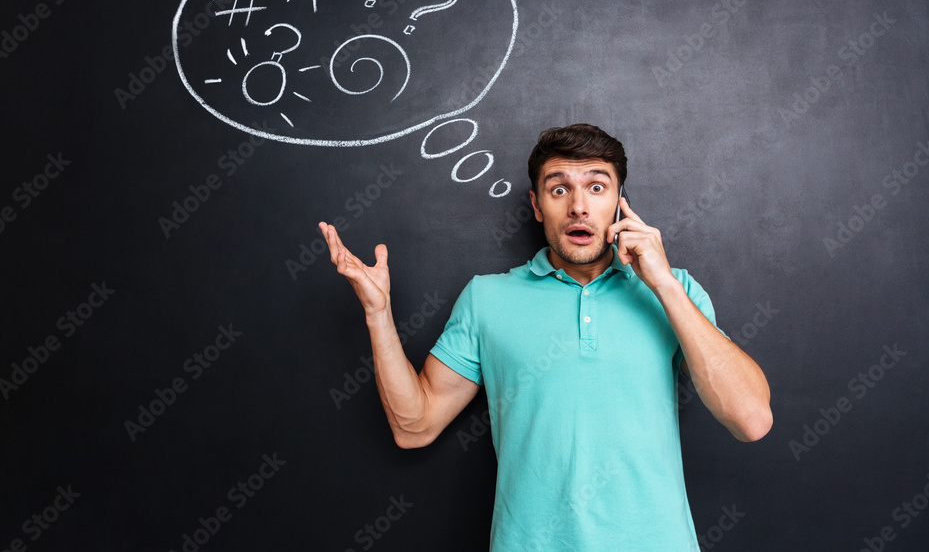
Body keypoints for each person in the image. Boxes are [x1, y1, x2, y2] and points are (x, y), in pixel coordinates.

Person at [319, 123, 772, 551]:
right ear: (537, 205)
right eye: (560, 189)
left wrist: (664, 285)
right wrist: (378, 314)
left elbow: (751, 420)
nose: (578, 206)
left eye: (597, 187)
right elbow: (413, 428)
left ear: (619, 202)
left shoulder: (679, 291)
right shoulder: (487, 299)